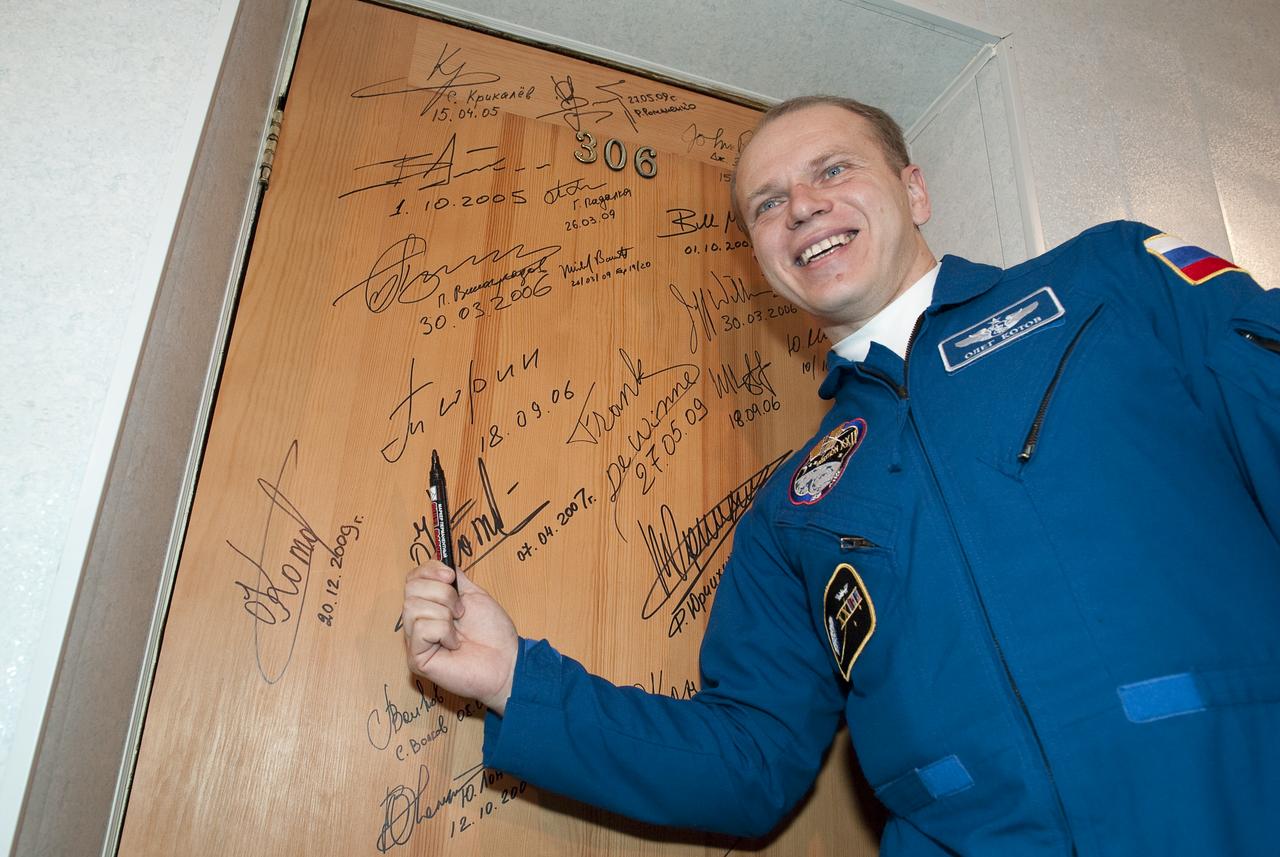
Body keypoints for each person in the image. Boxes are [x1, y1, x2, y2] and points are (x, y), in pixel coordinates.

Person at [402, 95, 1280, 855]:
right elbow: (749, 759)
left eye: (833, 170)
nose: (803, 208)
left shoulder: (1109, 283)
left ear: (914, 188)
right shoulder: (791, 510)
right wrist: (516, 676)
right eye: (768, 203)